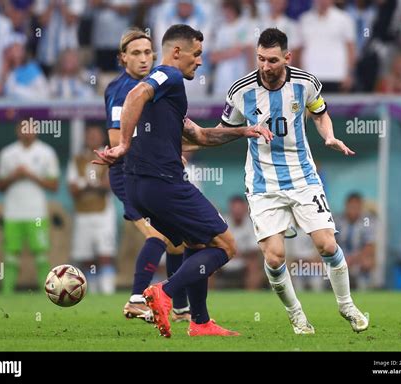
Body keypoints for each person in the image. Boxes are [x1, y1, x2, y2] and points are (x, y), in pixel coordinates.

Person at [95, 24, 272, 338]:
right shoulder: (169, 76)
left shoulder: (167, 94)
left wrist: (244, 130)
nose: (201, 61)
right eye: (197, 54)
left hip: (141, 187)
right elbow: (136, 93)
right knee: (226, 246)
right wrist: (122, 144)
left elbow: (201, 135)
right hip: (163, 183)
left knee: (196, 242)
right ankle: (163, 292)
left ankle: (200, 322)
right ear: (177, 52)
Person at [217, 28, 369, 333]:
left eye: (272, 60)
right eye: (260, 59)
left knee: (327, 244)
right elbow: (224, 130)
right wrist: (187, 144)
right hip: (262, 184)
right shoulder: (240, 91)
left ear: (287, 57)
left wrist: (329, 136)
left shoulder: (306, 83)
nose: (265, 66)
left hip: (302, 177)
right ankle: (297, 315)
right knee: (274, 258)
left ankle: (347, 305)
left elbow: (320, 113)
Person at [99, 28, 192, 322]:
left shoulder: (155, 86)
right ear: (122, 58)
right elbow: (116, 141)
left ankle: (179, 309)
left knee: (178, 240)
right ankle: (137, 298)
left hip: (151, 173)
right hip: (128, 175)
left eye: (147, 52)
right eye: (136, 53)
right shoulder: (121, 89)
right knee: (159, 236)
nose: (143, 58)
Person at [0, 123, 59, 294]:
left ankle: (47, 292)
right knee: (10, 254)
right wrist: (14, 176)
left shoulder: (46, 152)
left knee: (41, 254)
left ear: (36, 130)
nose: (27, 132)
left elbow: (54, 185)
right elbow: (0, 186)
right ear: (17, 130)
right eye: (23, 128)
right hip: (12, 213)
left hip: (36, 213)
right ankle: (6, 293)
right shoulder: (7, 153)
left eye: (31, 128)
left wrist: (31, 175)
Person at [67, 126, 117, 294]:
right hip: (82, 215)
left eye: (95, 135)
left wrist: (87, 185)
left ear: (102, 137)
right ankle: (93, 293)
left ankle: (107, 291)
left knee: (105, 254)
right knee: (86, 257)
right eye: (89, 135)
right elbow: (72, 189)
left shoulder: (110, 156)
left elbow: (109, 184)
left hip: (103, 214)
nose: (92, 138)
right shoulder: (77, 159)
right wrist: (91, 185)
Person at [335, 192, 377, 290]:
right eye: (351, 206)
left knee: (367, 261)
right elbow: (332, 242)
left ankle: (364, 287)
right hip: (341, 257)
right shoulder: (338, 221)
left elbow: (369, 246)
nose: (354, 210)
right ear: (346, 206)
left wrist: (354, 258)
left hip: (358, 258)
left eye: (356, 207)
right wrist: (342, 258)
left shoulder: (367, 222)